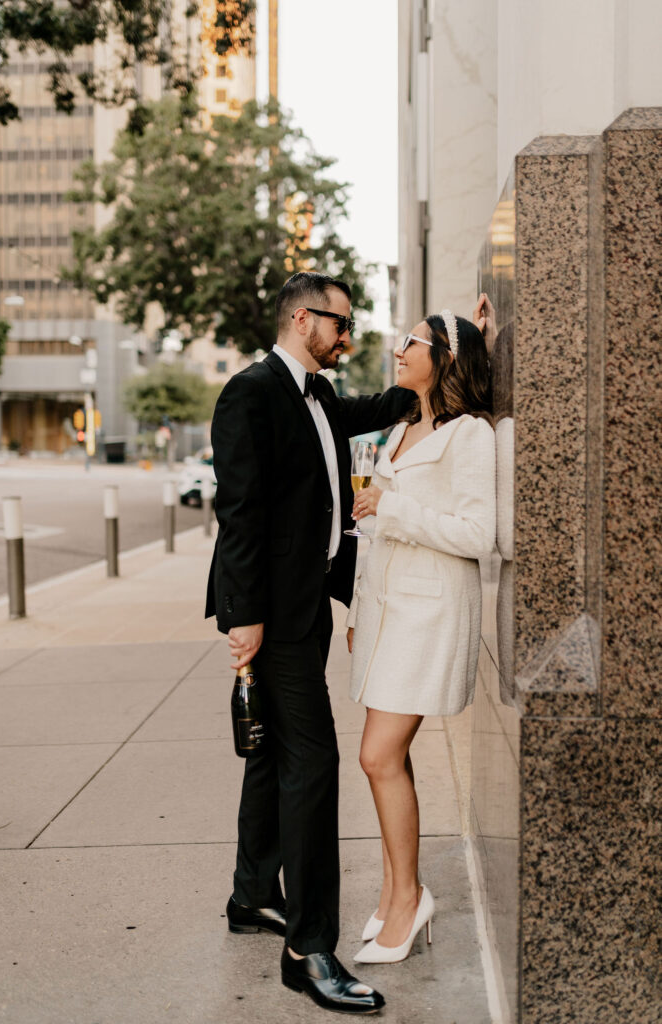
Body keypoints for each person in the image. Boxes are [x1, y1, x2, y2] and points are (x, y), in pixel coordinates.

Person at [205, 271, 414, 1014]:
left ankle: (252, 893)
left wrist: (441, 365)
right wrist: (244, 615)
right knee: (313, 762)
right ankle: (308, 949)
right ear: (302, 318)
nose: (346, 337)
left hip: (307, 603)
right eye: (339, 323)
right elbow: (240, 511)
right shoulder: (250, 392)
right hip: (273, 612)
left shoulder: (320, 394)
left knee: (272, 754)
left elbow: (373, 408)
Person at [346, 310, 496, 964]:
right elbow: (373, 523)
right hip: (386, 609)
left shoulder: (469, 436)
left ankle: (408, 902)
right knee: (389, 757)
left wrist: (393, 508)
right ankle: (390, 895)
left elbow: (476, 534)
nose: (398, 347)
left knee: (377, 756)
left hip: (428, 613)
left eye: (411, 340)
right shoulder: (404, 425)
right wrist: (356, 611)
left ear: (442, 356)